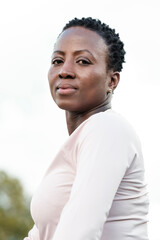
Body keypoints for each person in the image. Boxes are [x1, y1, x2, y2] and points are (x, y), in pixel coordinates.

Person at [24, 17, 149, 240]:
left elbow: (78, 233)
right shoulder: (82, 140)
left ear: (112, 81)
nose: (65, 71)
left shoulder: (108, 128)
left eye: (82, 61)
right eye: (57, 61)